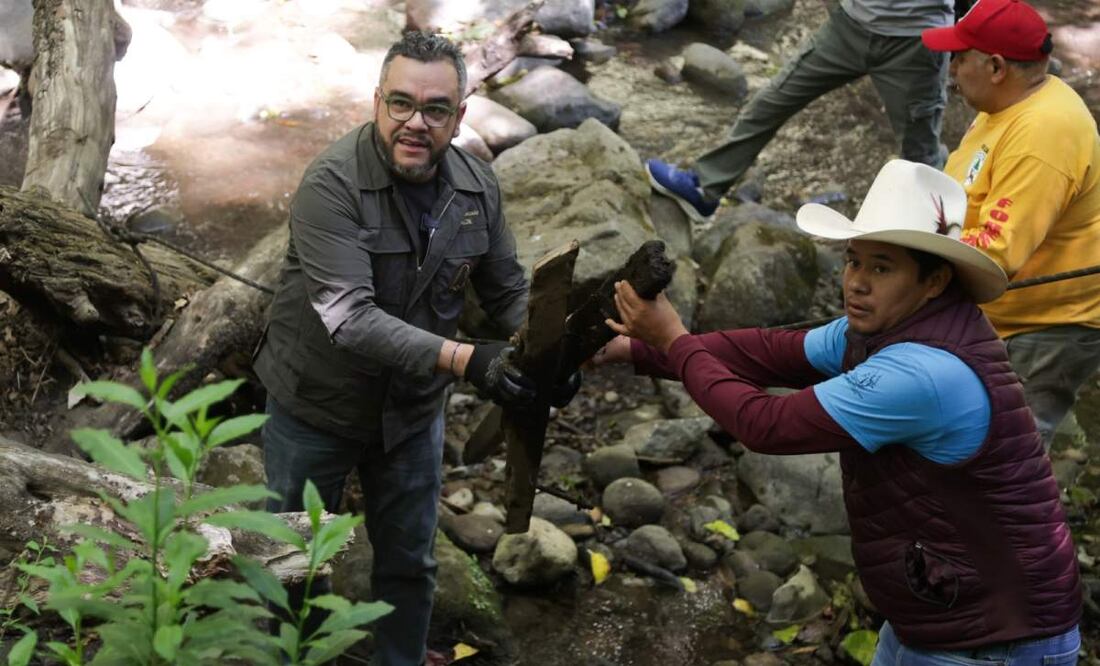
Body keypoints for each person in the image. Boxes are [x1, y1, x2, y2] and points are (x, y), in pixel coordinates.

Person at [594, 160, 1081, 662]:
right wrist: (637, 350)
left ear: (934, 282)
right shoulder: (876, 329)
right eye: (853, 260)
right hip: (940, 614)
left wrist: (673, 339)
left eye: (882, 267)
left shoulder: (924, 374)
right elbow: (765, 352)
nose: (857, 282)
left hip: (1000, 639)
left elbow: (767, 425)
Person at [253, 32, 550, 666]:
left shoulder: (476, 188)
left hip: (412, 415)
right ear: (376, 103)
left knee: (410, 565)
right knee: (291, 566)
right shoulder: (329, 184)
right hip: (315, 408)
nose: (416, 123)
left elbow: (508, 293)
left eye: (436, 108)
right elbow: (352, 319)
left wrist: (553, 350)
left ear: (460, 115)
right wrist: (472, 360)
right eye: (401, 104)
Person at [921, 0, 1100, 447]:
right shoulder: (1007, 105)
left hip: (1046, 326)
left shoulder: (1042, 135)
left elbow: (997, 253)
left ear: (997, 66)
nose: (952, 69)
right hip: (1003, 316)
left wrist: (913, 274)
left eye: (960, 57)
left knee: (1008, 454)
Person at [644, 0, 955, 221]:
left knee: (920, 154)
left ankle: (938, 241)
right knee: (774, 99)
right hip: (849, 27)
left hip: (915, 40)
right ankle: (705, 187)